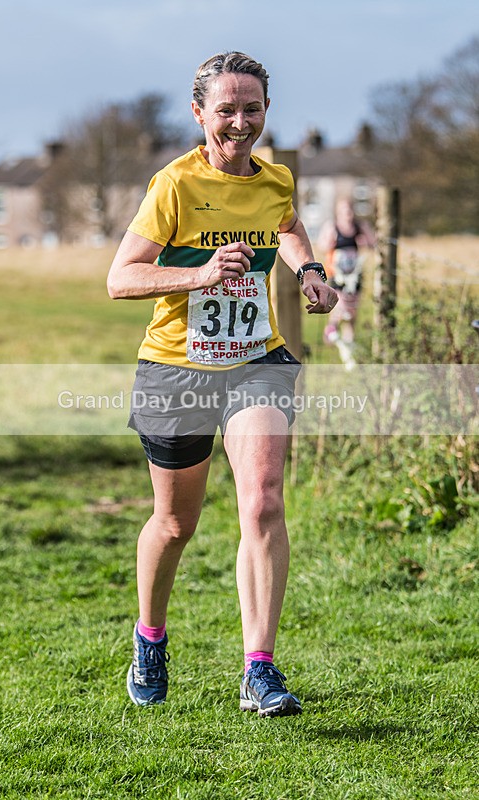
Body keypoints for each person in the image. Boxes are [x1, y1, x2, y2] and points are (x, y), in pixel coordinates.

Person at [107, 51, 338, 718]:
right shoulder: (174, 186)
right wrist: (199, 275)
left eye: (252, 109)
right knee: (176, 523)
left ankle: (258, 669)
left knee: (263, 501)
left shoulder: (274, 181)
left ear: (266, 112)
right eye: (226, 110)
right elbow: (120, 279)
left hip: (254, 362)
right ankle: (150, 636)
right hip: (176, 369)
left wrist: (308, 270)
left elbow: (286, 225)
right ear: (199, 113)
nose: (240, 123)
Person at [318, 198, 375, 367]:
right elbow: (321, 246)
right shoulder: (332, 227)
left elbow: (374, 243)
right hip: (337, 277)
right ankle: (331, 332)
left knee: (351, 315)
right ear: (338, 213)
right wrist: (330, 243)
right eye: (343, 211)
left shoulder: (360, 227)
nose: (347, 215)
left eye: (349, 211)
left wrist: (365, 242)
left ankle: (348, 354)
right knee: (340, 310)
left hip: (354, 277)